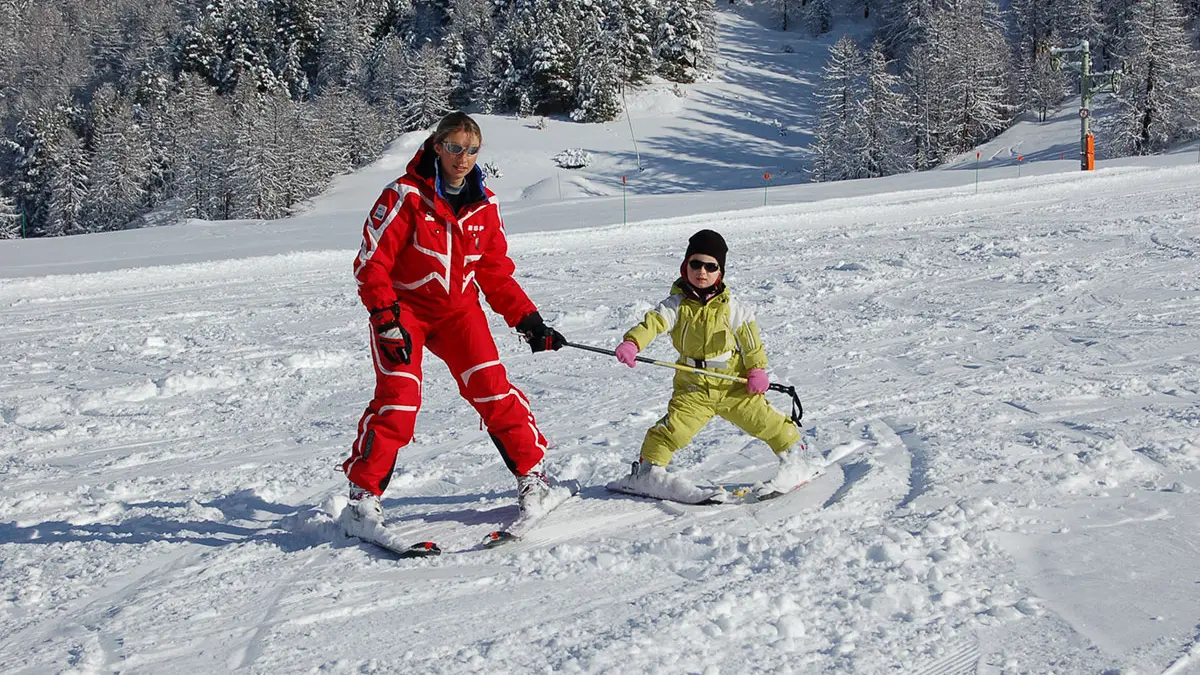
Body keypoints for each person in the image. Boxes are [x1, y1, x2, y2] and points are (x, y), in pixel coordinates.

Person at [344, 111, 567, 523]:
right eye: (454, 148)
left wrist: (529, 321)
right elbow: (370, 263)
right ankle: (362, 498)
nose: (462, 158)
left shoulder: (485, 205)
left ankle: (533, 476)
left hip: (458, 312)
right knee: (400, 399)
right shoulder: (404, 196)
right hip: (404, 310)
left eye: (471, 150)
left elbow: (495, 273)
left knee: (492, 390)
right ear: (437, 147)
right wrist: (386, 318)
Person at [610, 229, 818, 502]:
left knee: (765, 421)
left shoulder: (733, 307)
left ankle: (795, 456)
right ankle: (648, 472)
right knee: (675, 429)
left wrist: (757, 370)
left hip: (733, 384)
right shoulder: (676, 304)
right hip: (694, 386)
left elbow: (751, 343)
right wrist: (633, 343)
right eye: (696, 264)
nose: (702, 272)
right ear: (686, 265)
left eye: (711, 266)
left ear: (720, 271)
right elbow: (653, 323)